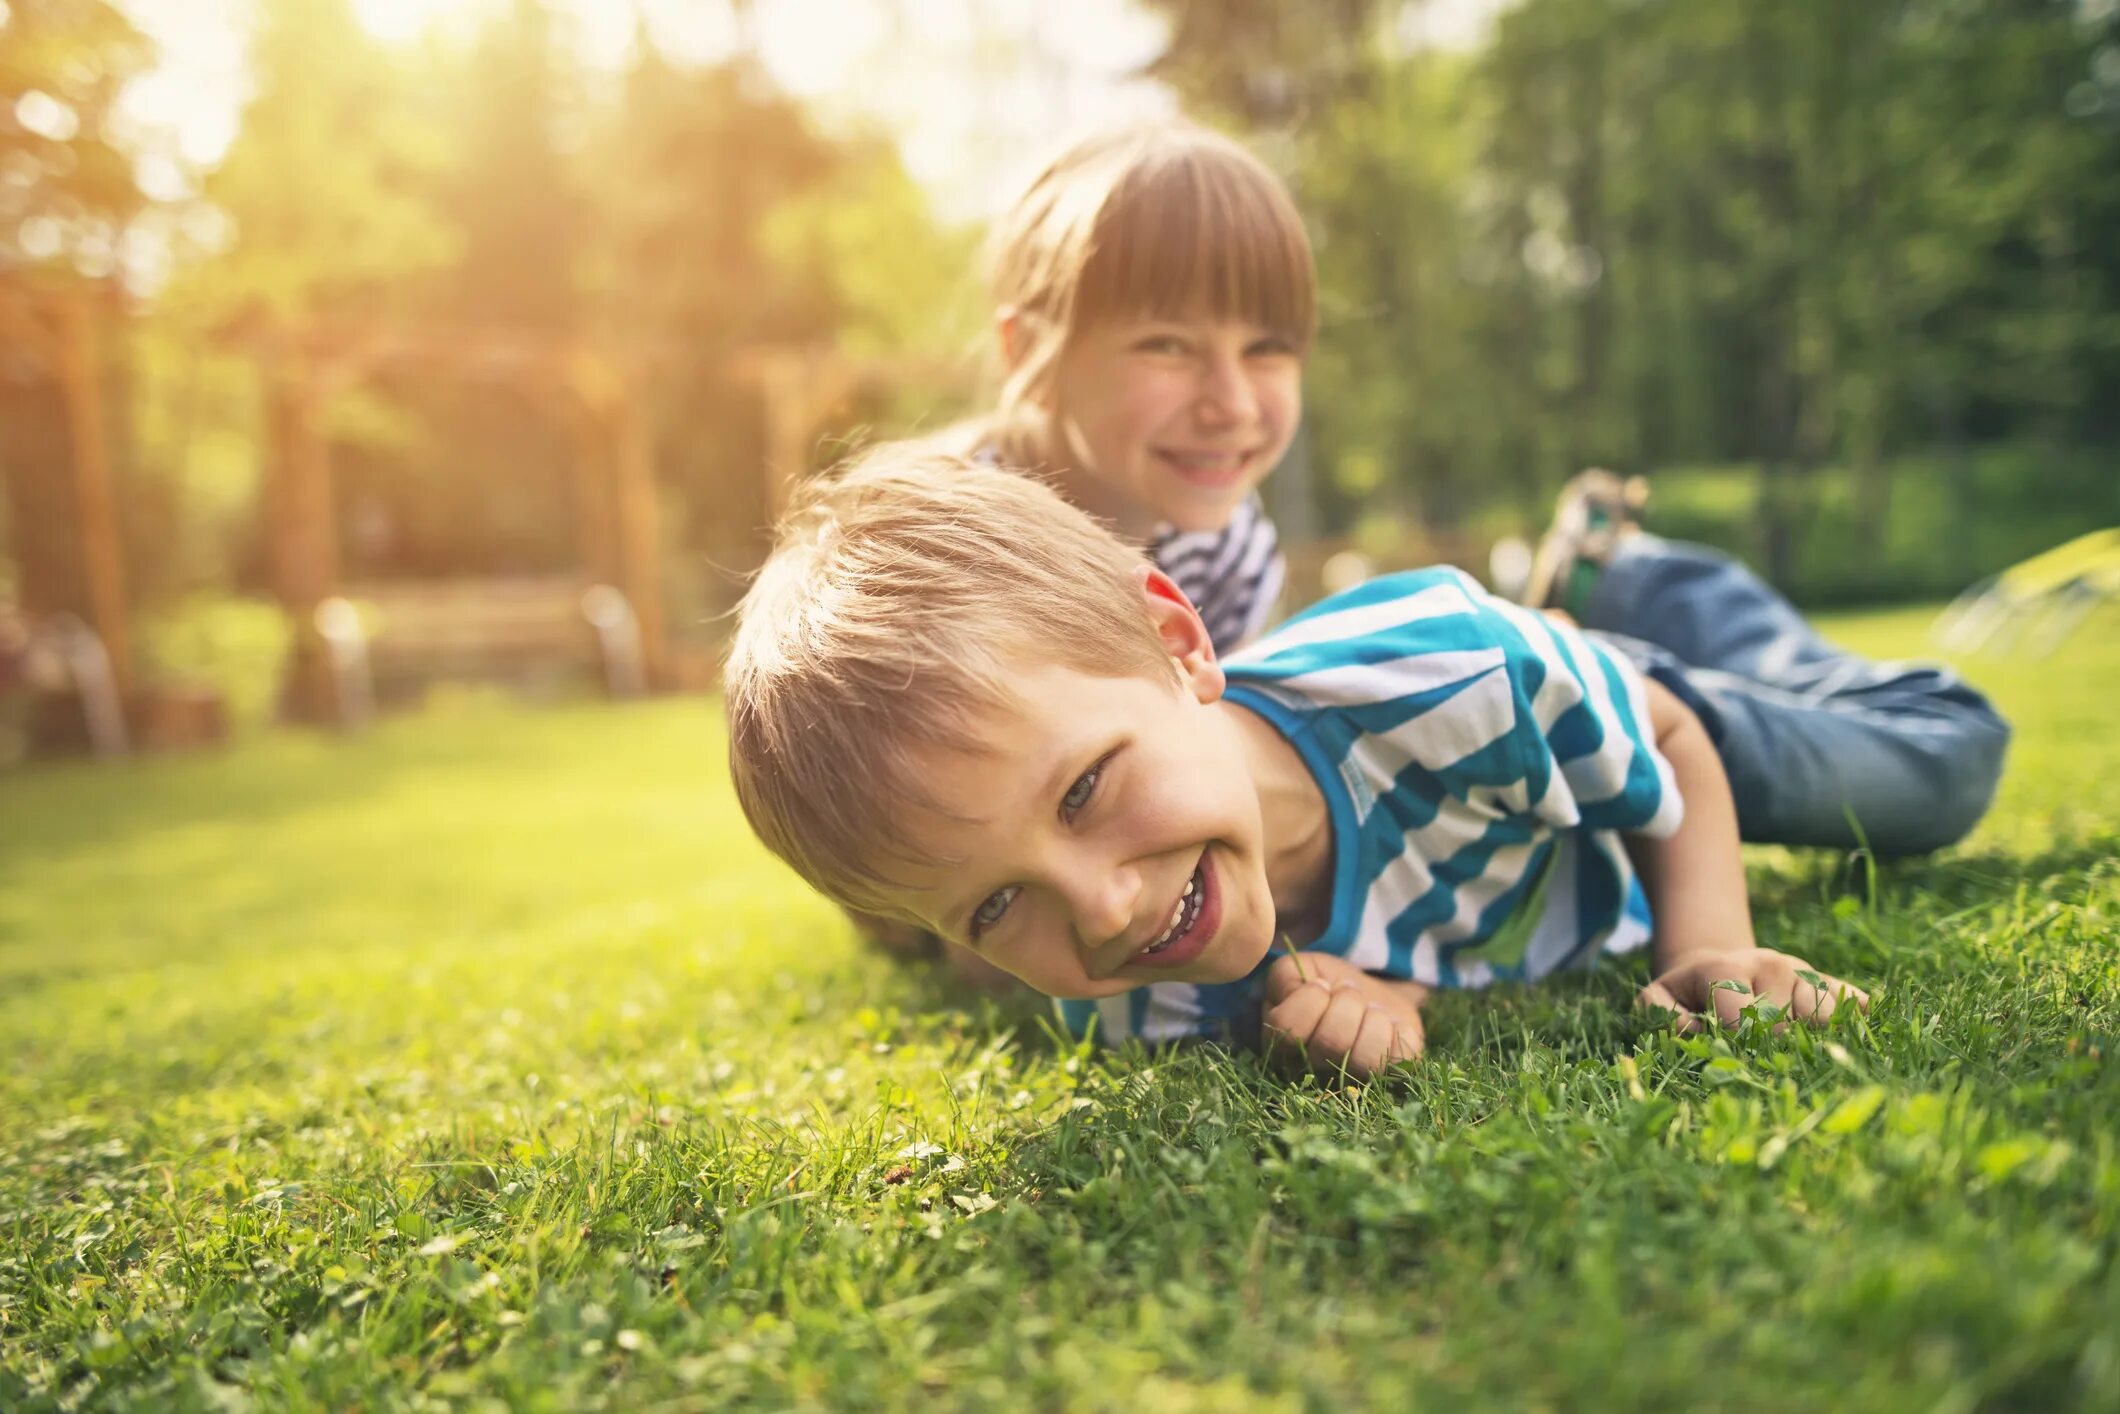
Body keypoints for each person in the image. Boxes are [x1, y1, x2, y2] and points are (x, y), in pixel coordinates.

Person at [725, 447, 1895, 1078]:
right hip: (1542, 787)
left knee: (1938, 770)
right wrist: (1390, 997)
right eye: (992, 905)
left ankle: (1626, 576)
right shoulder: (1144, 1002)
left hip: (1615, 707)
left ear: (1179, 645)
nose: (1101, 909)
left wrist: (1704, 947)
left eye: (1083, 788)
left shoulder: (1453, 676)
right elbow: (1421, 928)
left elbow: (1668, 747)